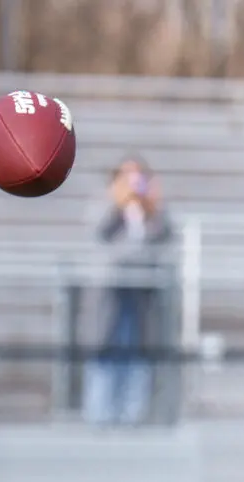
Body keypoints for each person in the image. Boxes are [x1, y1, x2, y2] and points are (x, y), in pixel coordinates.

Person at [83, 154, 176, 426]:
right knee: (106, 352)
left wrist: (150, 208)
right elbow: (104, 243)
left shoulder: (153, 215)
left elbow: (161, 242)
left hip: (141, 297)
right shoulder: (106, 210)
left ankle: (132, 414)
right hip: (110, 295)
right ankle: (100, 414)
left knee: (136, 353)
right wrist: (118, 205)